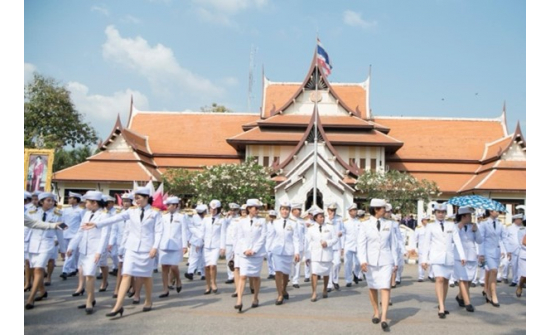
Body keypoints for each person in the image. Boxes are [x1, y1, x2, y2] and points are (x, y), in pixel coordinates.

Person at [81, 187, 163, 317]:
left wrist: (155, 247)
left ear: (147, 198)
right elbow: (115, 218)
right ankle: (118, 306)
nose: (136, 201)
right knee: (126, 274)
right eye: (135, 198)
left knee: (146, 276)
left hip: (147, 249)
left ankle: (148, 300)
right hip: (131, 248)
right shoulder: (131, 212)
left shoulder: (155, 213)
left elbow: (159, 232)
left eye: (139, 198)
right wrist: (96, 224)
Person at [66, 191, 111, 314]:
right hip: (83, 249)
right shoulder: (86, 214)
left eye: (87, 202)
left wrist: (99, 252)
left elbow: (104, 235)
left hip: (94, 250)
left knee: (90, 275)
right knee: (86, 274)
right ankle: (92, 298)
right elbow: (80, 232)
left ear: (94, 202)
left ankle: (89, 301)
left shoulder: (104, 216)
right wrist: (71, 247)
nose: (85, 204)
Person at [357, 199, 398, 332]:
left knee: (385, 287)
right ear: (376, 209)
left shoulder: (390, 224)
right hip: (370, 261)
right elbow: (361, 245)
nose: (385, 211)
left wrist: (395, 261)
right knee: (373, 287)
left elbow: (393, 244)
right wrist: (362, 260)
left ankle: (384, 317)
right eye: (383, 208)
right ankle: (376, 312)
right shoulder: (365, 225)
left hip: (386, 260)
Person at [420, 203, 465, 319]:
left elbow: (457, 241)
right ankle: (441, 307)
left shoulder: (451, 225)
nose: (440, 214)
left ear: (445, 213)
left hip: (448, 257)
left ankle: (442, 304)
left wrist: (462, 256)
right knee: (439, 279)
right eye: (438, 212)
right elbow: (426, 244)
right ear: (435, 213)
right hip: (436, 257)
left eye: (443, 212)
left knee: (445, 281)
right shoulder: (430, 226)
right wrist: (424, 259)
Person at [25, 192, 66, 309]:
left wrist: (63, 249)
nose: (51, 202)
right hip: (32, 243)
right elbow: (27, 227)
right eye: (48, 200)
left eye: (52, 201)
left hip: (47, 244)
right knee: (33, 270)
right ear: (41, 201)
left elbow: (61, 231)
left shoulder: (58, 214)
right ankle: (42, 291)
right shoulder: (31, 212)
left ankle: (30, 298)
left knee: (39, 269)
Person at [233, 199, 267, 312]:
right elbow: (240, 237)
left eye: (258, 208)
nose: (257, 210)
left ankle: (255, 297)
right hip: (244, 253)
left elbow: (263, 237)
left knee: (255, 277)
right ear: (249, 208)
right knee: (243, 276)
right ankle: (239, 300)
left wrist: (254, 250)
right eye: (255, 208)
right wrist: (245, 250)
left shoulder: (262, 221)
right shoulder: (241, 222)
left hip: (257, 254)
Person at [268, 201, 300, 305]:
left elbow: (296, 239)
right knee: (278, 272)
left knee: (286, 273)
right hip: (277, 250)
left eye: (287, 209)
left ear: (289, 211)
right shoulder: (275, 222)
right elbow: (271, 236)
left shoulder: (294, 223)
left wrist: (297, 252)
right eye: (283, 209)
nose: (284, 211)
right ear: (280, 210)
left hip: (288, 251)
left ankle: (284, 289)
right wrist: (268, 249)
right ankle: (279, 295)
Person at [305, 209, 339, 302]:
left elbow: (335, 238)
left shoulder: (330, 227)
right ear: (315, 218)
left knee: (326, 273)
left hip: (326, 254)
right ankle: (314, 292)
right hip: (315, 254)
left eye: (323, 216)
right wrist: (307, 256)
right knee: (314, 273)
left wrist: (327, 243)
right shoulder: (311, 228)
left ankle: (325, 289)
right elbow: (307, 242)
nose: (322, 218)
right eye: (320, 217)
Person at [158, 196, 188, 298]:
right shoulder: (163, 216)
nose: (167, 207)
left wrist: (185, 245)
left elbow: (184, 231)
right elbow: (159, 231)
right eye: (167, 205)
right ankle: (165, 289)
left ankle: (178, 280)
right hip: (164, 244)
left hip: (176, 245)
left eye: (169, 205)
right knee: (164, 267)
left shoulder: (181, 217)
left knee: (174, 266)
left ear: (175, 206)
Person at [453, 207, 481, 312]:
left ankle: (460, 296)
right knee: (462, 279)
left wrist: (476, 231)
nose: (470, 217)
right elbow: (451, 240)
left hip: (471, 256)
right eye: (469, 215)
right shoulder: (455, 227)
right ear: (463, 216)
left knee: (469, 280)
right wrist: (458, 228)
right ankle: (467, 302)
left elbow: (479, 241)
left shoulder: (473, 226)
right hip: (459, 257)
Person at [478, 209, 508, 307]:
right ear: (490, 212)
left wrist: (508, 250)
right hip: (487, 252)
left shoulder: (500, 224)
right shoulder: (484, 224)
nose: (498, 212)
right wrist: (481, 254)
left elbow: (504, 238)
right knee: (494, 271)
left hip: (496, 252)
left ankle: (488, 291)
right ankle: (493, 294)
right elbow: (481, 240)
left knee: (492, 273)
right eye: (496, 211)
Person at [110, 192, 133, 299]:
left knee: (131, 267)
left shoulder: (134, 213)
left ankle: (131, 286)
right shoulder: (118, 213)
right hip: (120, 244)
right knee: (120, 266)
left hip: (131, 244)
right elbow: (114, 229)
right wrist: (111, 242)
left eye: (128, 201)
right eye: (124, 201)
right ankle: (117, 288)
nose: (125, 203)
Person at [201, 199, 227, 294]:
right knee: (207, 267)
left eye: (215, 209)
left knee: (213, 265)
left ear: (218, 209)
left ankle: (213, 283)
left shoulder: (222, 220)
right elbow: (201, 232)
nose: (213, 211)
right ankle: (207, 285)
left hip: (216, 245)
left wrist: (222, 247)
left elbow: (223, 234)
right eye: (211, 209)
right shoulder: (205, 219)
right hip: (206, 245)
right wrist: (198, 243)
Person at [60, 192, 85, 280]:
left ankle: (65, 271)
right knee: (73, 254)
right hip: (65, 234)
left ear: (76, 200)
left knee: (70, 253)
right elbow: (61, 221)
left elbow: (83, 223)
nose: (69, 199)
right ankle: (74, 268)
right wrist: (62, 231)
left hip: (75, 235)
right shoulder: (65, 210)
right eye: (69, 198)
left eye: (71, 198)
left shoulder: (81, 210)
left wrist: (81, 234)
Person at [185, 204, 207, 281]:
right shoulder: (193, 218)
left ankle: (203, 273)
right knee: (194, 257)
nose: (201, 215)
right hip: (195, 240)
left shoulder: (208, 218)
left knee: (204, 258)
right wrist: (188, 239)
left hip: (206, 241)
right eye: (199, 213)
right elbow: (190, 229)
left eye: (202, 213)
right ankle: (190, 272)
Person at [342, 204, 361, 287]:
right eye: (353, 210)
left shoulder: (359, 222)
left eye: (356, 210)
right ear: (349, 212)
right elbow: (343, 235)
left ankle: (356, 273)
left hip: (358, 245)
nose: (355, 211)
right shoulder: (345, 222)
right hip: (348, 245)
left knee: (358, 263)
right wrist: (342, 247)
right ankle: (348, 280)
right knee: (348, 263)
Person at [326, 203, 343, 292]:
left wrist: (341, 232)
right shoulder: (325, 219)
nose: (332, 212)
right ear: (328, 210)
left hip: (337, 245)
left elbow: (343, 230)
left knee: (337, 263)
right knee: (329, 265)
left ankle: (335, 280)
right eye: (331, 210)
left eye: (334, 210)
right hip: (328, 245)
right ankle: (329, 284)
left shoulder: (339, 219)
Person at [504, 214, 525, 287]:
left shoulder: (523, 228)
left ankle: (520, 281)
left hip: (522, 249)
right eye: (519, 219)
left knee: (521, 266)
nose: (520, 221)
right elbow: (506, 240)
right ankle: (514, 280)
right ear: (515, 220)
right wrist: (508, 250)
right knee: (514, 265)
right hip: (513, 249)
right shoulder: (509, 228)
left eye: (521, 219)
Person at [224, 203, 241, 296]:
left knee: (237, 261)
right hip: (228, 242)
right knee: (229, 260)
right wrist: (226, 216)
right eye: (231, 210)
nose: (233, 212)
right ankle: (230, 276)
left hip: (237, 243)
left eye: (234, 210)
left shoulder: (240, 219)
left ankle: (237, 276)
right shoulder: (227, 219)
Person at [290, 202, 306, 289]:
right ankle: (288, 277)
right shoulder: (288, 220)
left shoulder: (302, 221)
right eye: (297, 210)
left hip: (299, 245)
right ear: (293, 210)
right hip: (289, 245)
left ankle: (295, 280)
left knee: (297, 264)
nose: (299, 211)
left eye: (300, 210)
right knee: (289, 263)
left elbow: (305, 235)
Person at [411, 215, 431, 282]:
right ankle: (421, 276)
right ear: (422, 221)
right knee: (421, 262)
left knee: (431, 262)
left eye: (428, 220)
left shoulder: (431, 228)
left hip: (431, 247)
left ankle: (431, 275)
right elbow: (415, 239)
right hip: (422, 248)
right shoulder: (418, 228)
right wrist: (413, 248)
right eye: (426, 220)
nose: (427, 221)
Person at [266, 210, 277, 280]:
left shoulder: (277, 225)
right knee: (269, 260)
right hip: (267, 244)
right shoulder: (267, 225)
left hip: (275, 244)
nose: (272, 218)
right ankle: (270, 273)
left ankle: (275, 273)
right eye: (271, 216)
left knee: (274, 260)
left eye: (273, 217)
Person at [515, 231, 526, 298]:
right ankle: (520, 286)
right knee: (525, 275)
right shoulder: (522, 230)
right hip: (525, 256)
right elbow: (524, 242)